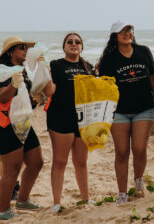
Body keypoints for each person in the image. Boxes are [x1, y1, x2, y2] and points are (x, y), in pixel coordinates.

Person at [98, 21, 154, 204]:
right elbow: (104, 87)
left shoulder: (144, 51)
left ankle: (139, 182)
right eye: (123, 31)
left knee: (140, 149)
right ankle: (122, 193)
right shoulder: (109, 58)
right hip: (119, 111)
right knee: (122, 152)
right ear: (115, 36)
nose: (127, 33)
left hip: (144, 107)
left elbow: (152, 78)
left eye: (130, 30)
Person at [0, 36, 49, 220]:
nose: (25, 50)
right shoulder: (2, 72)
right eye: (21, 47)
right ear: (11, 52)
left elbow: (23, 102)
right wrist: (13, 84)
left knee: (37, 162)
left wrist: (35, 100)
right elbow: (3, 97)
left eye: (26, 47)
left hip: (22, 124)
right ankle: (4, 211)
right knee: (12, 169)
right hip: (4, 126)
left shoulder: (21, 71)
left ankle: (22, 200)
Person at [45, 32, 94, 212]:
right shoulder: (56, 65)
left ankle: (86, 199)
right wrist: (45, 74)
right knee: (60, 161)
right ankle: (57, 203)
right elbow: (49, 91)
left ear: (82, 46)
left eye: (77, 42)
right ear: (64, 46)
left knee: (81, 161)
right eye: (70, 42)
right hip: (60, 117)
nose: (74, 44)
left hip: (82, 119)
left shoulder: (88, 67)